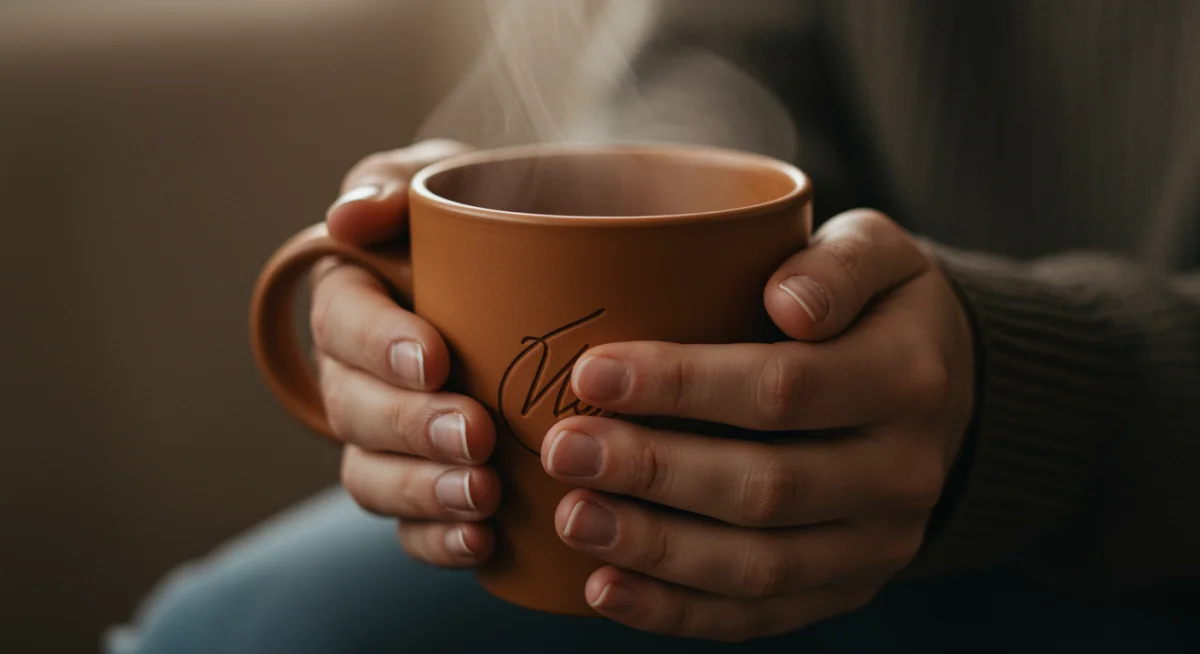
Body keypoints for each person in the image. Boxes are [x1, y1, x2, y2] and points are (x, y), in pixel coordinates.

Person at [108, 1, 1200, 652]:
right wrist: (613, 203)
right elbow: (720, 61)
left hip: (1154, 539)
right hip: (751, 501)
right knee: (218, 633)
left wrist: (1047, 397)